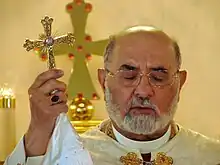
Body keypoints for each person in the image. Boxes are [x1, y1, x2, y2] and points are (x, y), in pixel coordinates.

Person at [4, 26, 220, 165]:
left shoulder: (211, 156)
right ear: (103, 81)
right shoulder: (71, 157)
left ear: (180, 83)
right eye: (128, 75)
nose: (144, 91)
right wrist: (38, 130)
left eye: (158, 76)